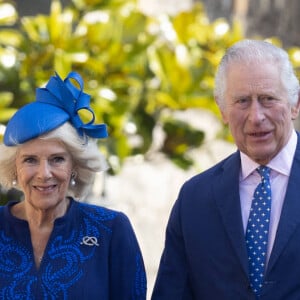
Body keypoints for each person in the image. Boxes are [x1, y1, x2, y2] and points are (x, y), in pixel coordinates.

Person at [151, 39, 300, 299]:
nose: (256, 116)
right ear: (222, 110)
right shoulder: (194, 200)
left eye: (267, 99)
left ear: (295, 104)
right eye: (242, 101)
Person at [0, 71, 147, 299]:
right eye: (30, 160)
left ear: (75, 166)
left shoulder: (110, 229)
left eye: (57, 159)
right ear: (14, 168)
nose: (44, 173)